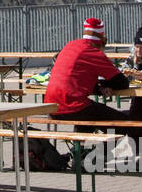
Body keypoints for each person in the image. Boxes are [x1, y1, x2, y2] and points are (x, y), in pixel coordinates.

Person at [43, 18, 134, 153]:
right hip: (71, 105)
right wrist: (104, 85)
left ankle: (78, 155)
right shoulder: (93, 52)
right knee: (122, 123)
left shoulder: (70, 45)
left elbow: (78, 80)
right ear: (102, 40)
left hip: (50, 105)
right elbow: (122, 82)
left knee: (90, 114)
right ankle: (93, 158)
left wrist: (99, 87)